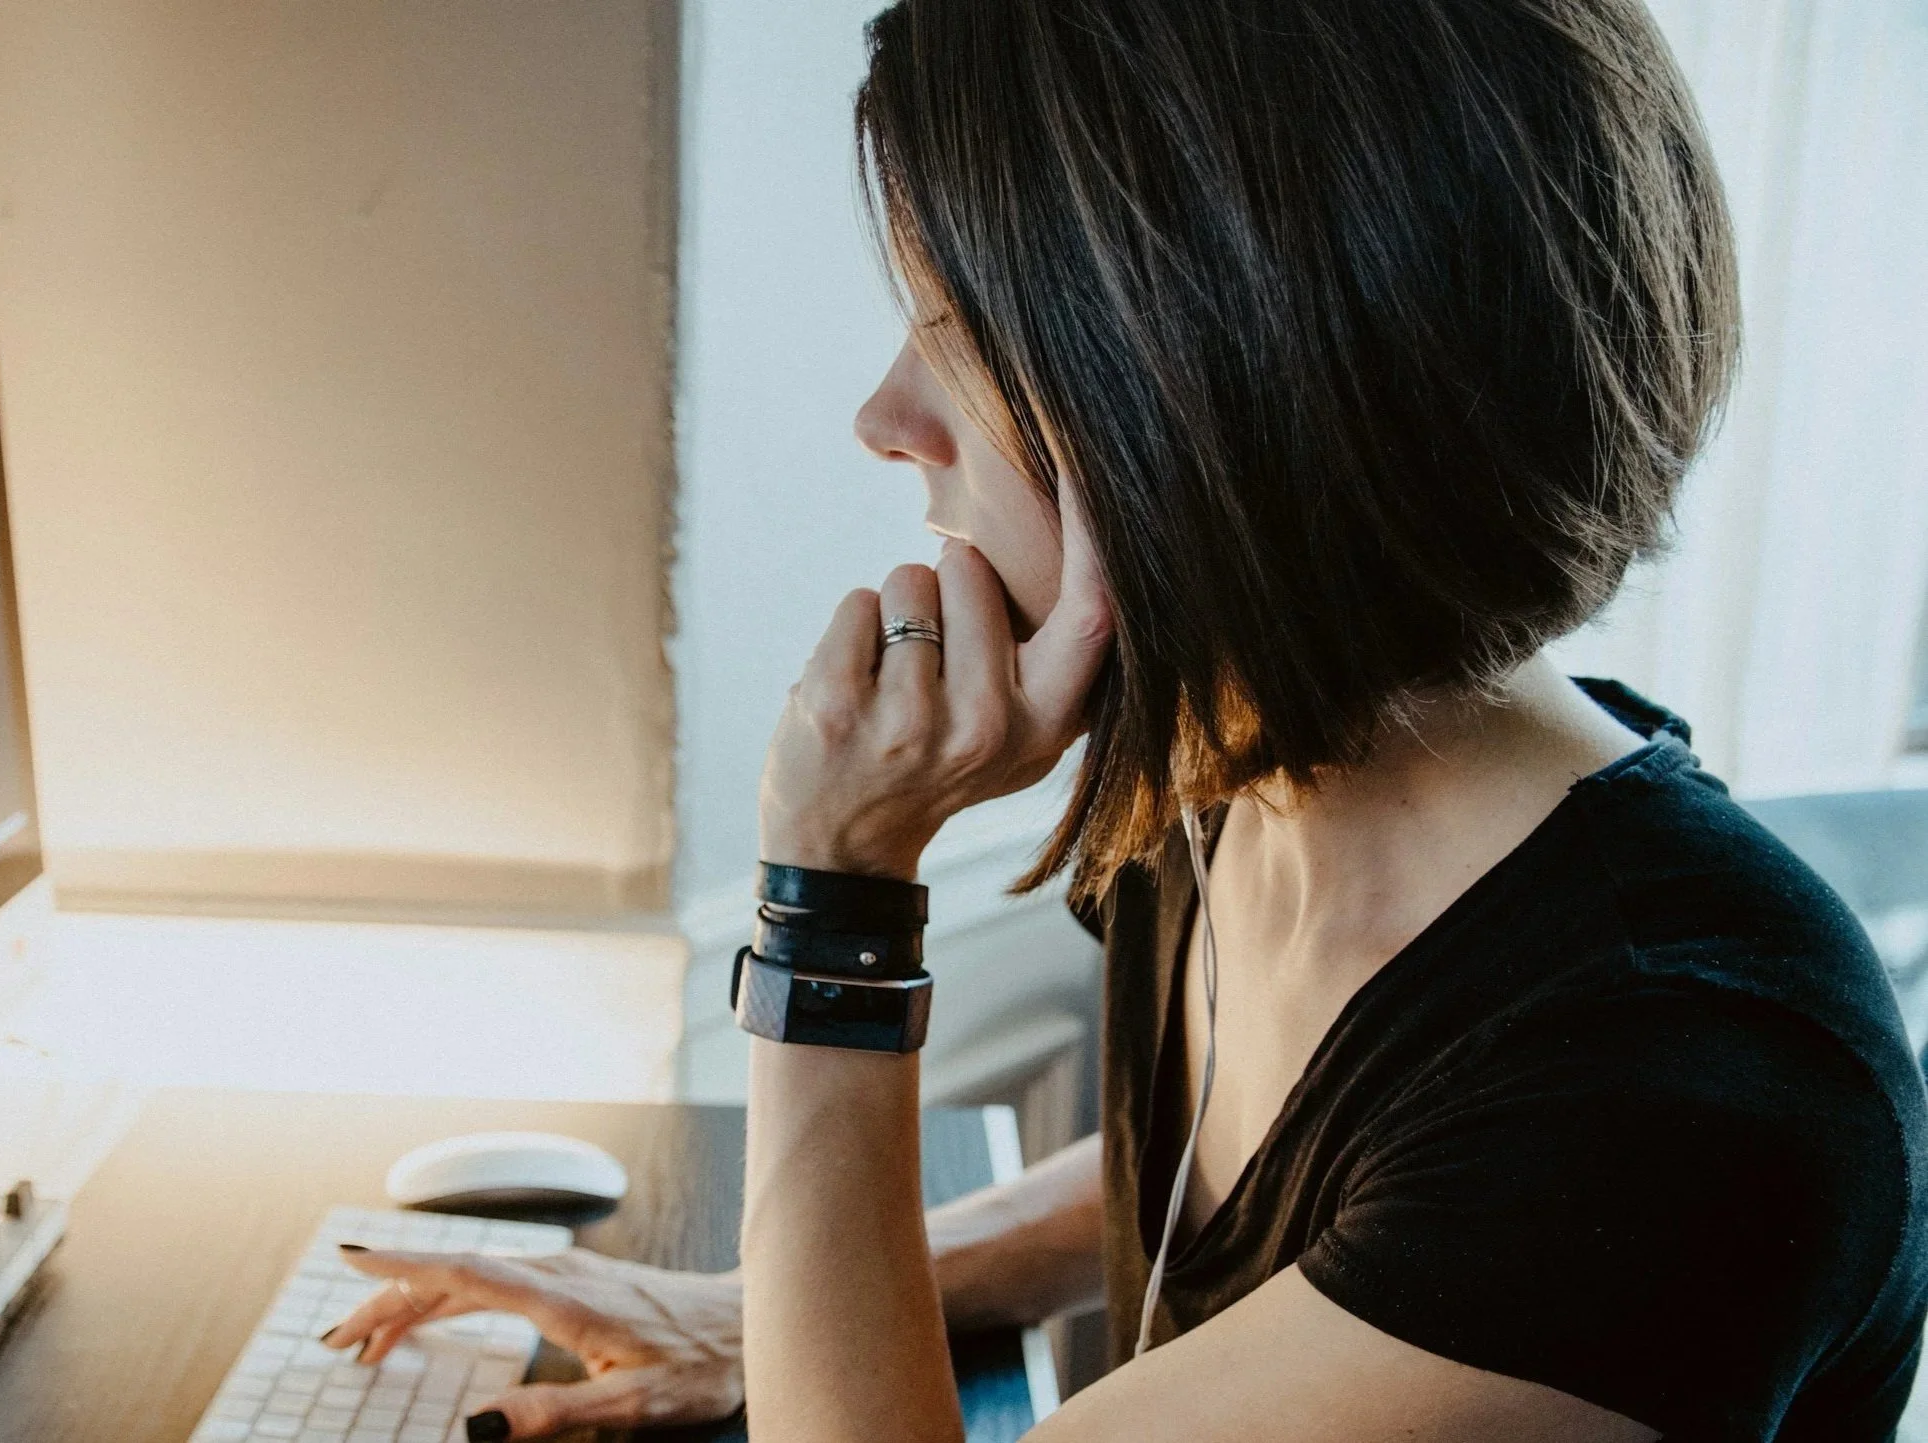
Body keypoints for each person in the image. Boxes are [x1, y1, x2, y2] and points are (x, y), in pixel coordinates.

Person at [326, 0, 1928, 1437]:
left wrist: (835, 889)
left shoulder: (1662, 1101)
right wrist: (774, 1310)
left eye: (962, 335)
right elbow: (1307, 1206)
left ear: (1218, 386)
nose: (889, 419)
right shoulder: (1241, 767)